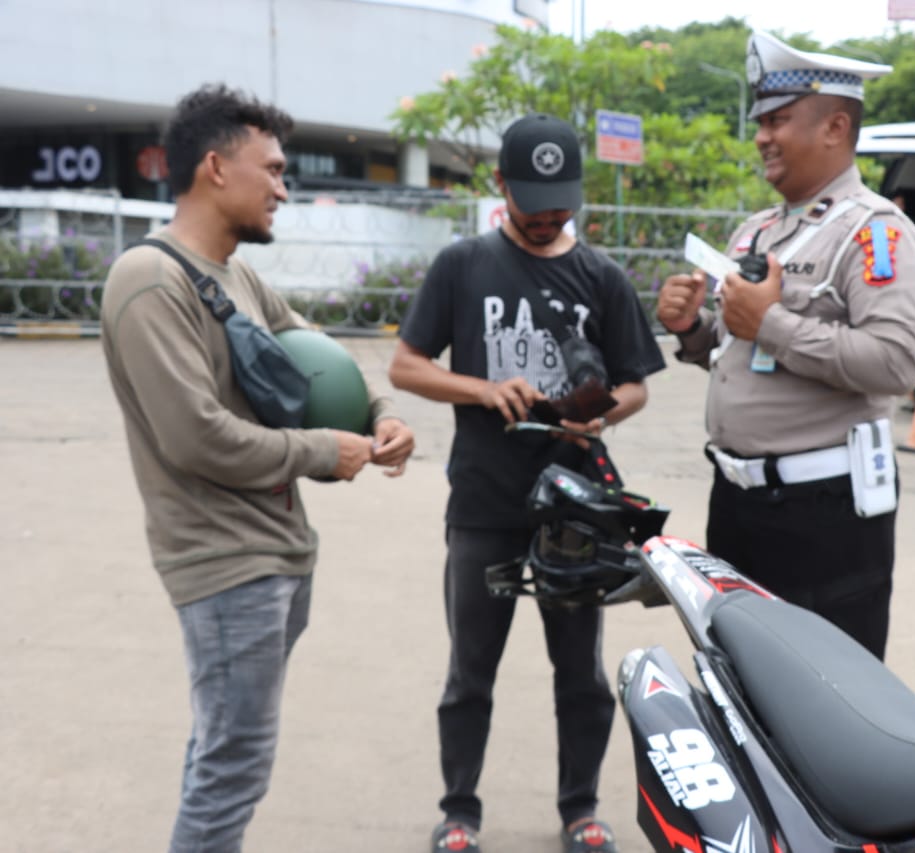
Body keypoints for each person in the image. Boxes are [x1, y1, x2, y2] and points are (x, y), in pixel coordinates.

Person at [100, 84, 415, 852]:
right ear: (215, 167)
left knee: (222, 751)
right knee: (233, 766)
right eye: (271, 169)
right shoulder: (150, 281)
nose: (283, 188)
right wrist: (324, 450)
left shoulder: (235, 275)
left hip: (277, 553)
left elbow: (317, 351)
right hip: (223, 563)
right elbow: (196, 438)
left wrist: (379, 414)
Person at [388, 113, 665, 853]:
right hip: (483, 502)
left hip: (574, 513)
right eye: (534, 204)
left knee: (580, 673)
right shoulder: (463, 265)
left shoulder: (601, 276)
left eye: (561, 206)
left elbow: (637, 383)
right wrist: (483, 389)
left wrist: (602, 415)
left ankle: (580, 808)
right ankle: (459, 811)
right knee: (470, 672)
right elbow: (405, 366)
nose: (548, 219)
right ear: (500, 184)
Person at [655, 32, 915, 660]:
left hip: (822, 514)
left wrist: (771, 324)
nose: (761, 137)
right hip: (736, 499)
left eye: (778, 120)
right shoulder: (756, 230)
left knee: (827, 692)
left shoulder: (875, 233)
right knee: (738, 678)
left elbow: (896, 364)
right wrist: (691, 328)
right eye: (761, 122)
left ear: (835, 127)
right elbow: (732, 348)